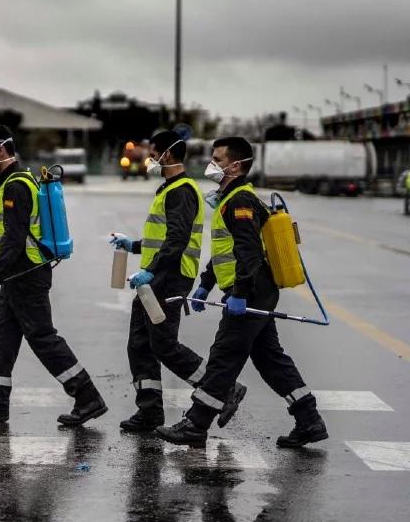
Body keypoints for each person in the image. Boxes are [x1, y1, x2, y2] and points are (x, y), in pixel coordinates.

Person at [157, 136, 328, 448]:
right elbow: (227, 250)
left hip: (251, 291)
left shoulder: (240, 202)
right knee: (270, 359)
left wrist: (239, 293)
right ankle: (309, 421)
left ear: (236, 165)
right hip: (253, 290)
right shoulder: (231, 199)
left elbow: (248, 255)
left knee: (224, 356)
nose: (213, 164)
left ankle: (196, 424)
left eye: (219, 160)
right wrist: (207, 283)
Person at [0, 125, 106, 426]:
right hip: (19, 274)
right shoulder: (16, 181)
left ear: (1, 149)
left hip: (26, 273)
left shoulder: (16, 186)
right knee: (3, 338)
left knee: (42, 338)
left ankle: (87, 396)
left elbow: (14, 239)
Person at [110, 131, 246, 432]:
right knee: (141, 344)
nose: (149, 158)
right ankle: (149, 411)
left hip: (169, 277)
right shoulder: (169, 188)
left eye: (153, 152)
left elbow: (177, 240)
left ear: (167, 154)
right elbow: (163, 239)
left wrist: (153, 272)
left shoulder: (182, 190)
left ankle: (223, 389)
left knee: (163, 345)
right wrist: (133, 245)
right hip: (157, 277)